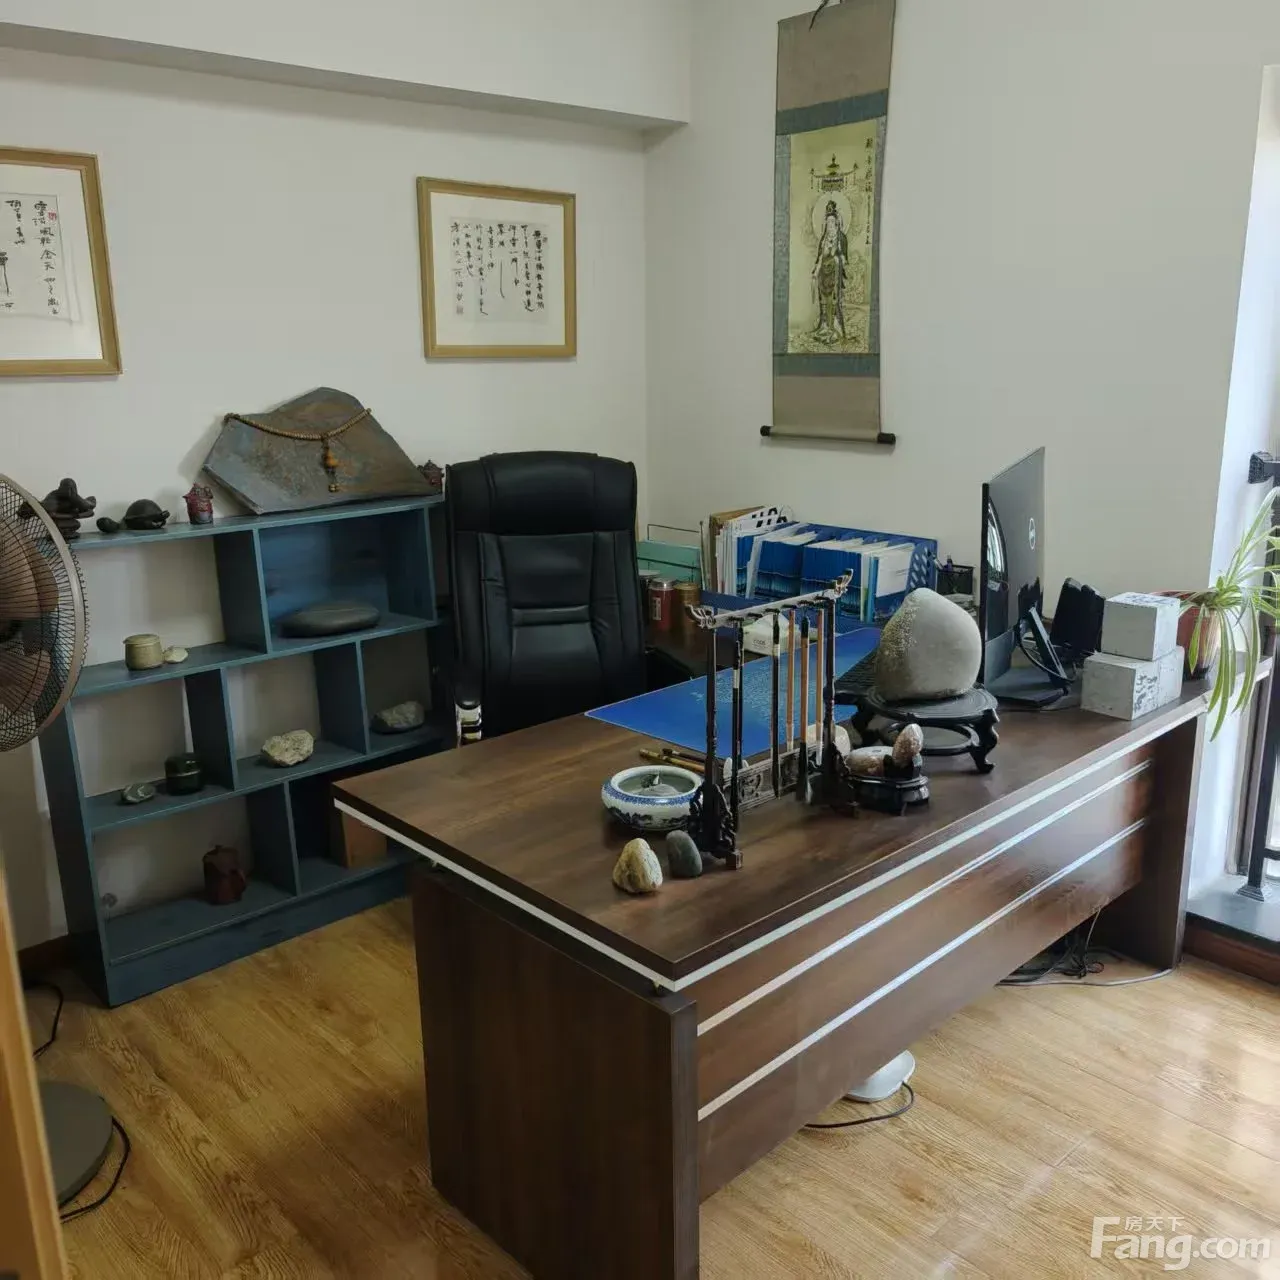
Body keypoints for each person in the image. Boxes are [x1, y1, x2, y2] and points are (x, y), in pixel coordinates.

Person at [811, 198, 848, 343]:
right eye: (828, 222)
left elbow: (844, 259)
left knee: (834, 301)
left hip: (834, 274)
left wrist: (837, 259)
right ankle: (824, 326)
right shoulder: (824, 239)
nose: (830, 225)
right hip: (823, 275)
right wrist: (815, 272)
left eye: (832, 222)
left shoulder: (841, 238)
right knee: (823, 301)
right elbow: (820, 257)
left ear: (837, 223)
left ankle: (835, 329)